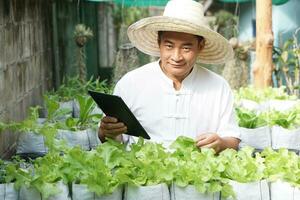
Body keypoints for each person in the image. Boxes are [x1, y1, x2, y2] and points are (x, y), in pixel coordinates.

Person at [98, 0, 240, 153]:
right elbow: (113, 140)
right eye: (169, 46)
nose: (176, 56)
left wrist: (221, 143)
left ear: (200, 46)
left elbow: (232, 138)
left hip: (198, 174)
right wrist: (107, 132)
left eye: (186, 47)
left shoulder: (218, 87)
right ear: (159, 43)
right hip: (141, 172)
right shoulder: (131, 83)